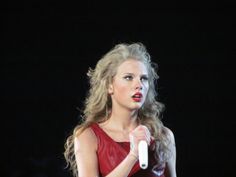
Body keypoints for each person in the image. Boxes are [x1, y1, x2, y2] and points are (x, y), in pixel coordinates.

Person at [64, 42, 177, 177]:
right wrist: (133, 155)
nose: (139, 85)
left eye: (144, 79)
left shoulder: (163, 136)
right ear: (109, 86)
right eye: (128, 77)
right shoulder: (88, 137)